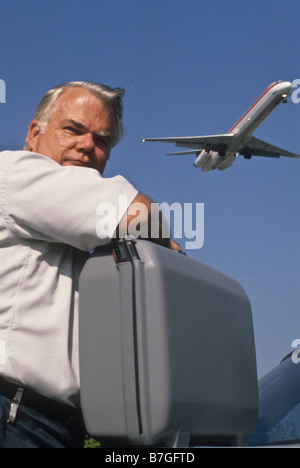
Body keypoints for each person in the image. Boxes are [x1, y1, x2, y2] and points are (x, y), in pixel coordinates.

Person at [0, 81, 180, 448]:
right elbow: (142, 216)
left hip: (59, 427)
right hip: (14, 415)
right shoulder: (16, 173)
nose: (87, 146)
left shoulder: (81, 230)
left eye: (103, 141)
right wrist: (163, 242)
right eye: (73, 129)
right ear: (35, 134)